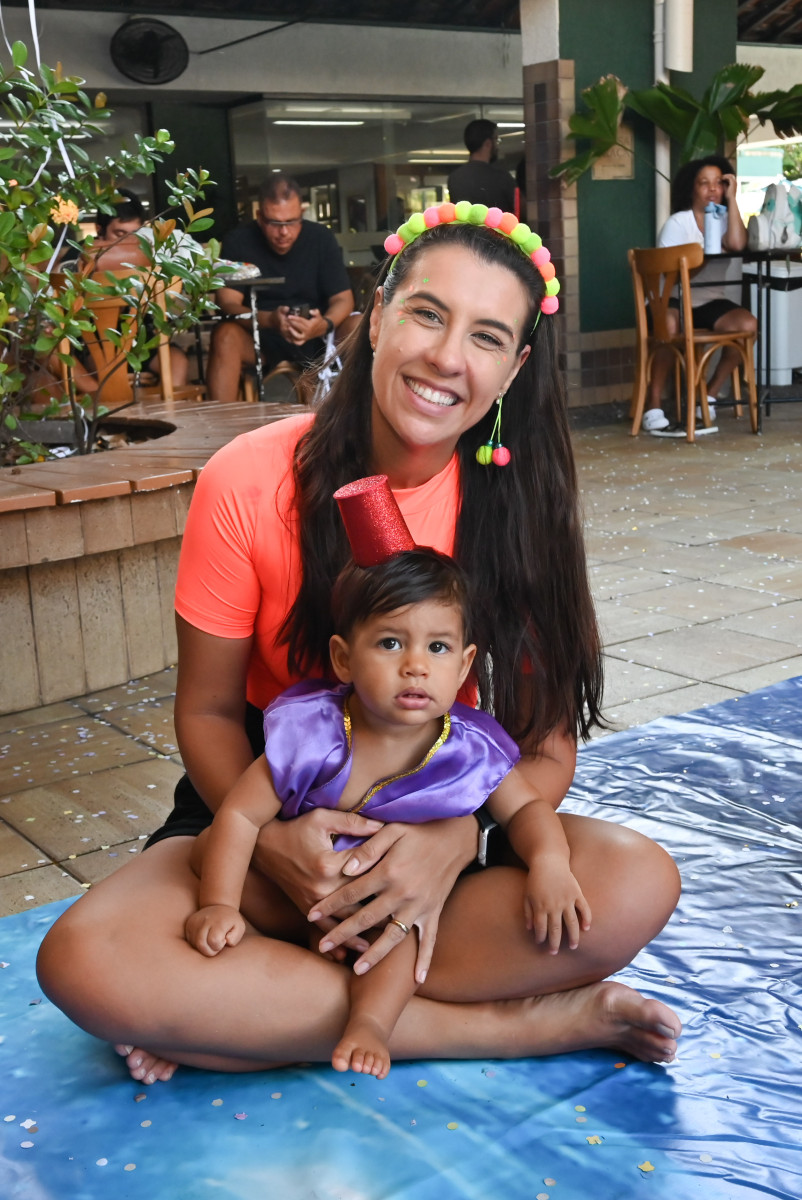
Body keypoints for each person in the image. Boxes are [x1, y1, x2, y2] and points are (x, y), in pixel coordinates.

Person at [37, 202, 682, 1086]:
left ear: (515, 367)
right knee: (86, 959)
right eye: (427, 313)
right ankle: (508, 1025)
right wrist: (275, 844)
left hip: (438, 812)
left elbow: (543, 745)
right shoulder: (249, 479)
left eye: (487, 337)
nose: (447, 357)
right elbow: (212, 712)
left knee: (635, 881)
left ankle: (241, 1015)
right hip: (269, 808)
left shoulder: (520, 507)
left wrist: (450, 840)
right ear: (377, 315)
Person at [185, 497, 592, 1080]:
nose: (415, 666)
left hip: (384, 908)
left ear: (465, 665)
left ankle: (371, 1024)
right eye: (391, 644)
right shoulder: (313, 733)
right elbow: (241, 817)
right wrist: (220, 905)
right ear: (343, 658)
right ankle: (225, 989)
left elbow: (525, 808)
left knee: (396, 939)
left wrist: (550, 863)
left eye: (437, 647)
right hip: (294, 891)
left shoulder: (467, 750)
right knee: (207, 854)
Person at [206, 174, 354, 403]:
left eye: (292, 222)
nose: (284, 232)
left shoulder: (321, 238)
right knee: (225, 335)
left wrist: (322, 325)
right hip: (260, 335)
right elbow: (227, 303)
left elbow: (343, 299)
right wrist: (269, 320)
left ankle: (365, 417)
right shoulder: (239, 241)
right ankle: (221, 423)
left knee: (359, 325)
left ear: (302, 214)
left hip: (317, 334)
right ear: (259, 217)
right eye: (275, 223)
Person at [642, 156, 757, 435]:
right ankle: (653, 404)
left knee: (748, 326)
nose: (712, 188)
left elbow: (737, 244)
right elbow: (668, 274)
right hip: (671, 298)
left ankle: (709, 395)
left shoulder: (725, 219)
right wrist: (701, 258)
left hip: (709, 301)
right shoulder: (678, 223)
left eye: (719, 183)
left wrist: (733, 199)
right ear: (691, 188)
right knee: (669, 326)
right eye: (704, 183)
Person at [447, 119, 516, 212]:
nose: (497, 145)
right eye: (496, 140)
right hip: (497, 222)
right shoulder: (501, 177)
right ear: (488, 143)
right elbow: (520, 207)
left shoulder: (455, 178)